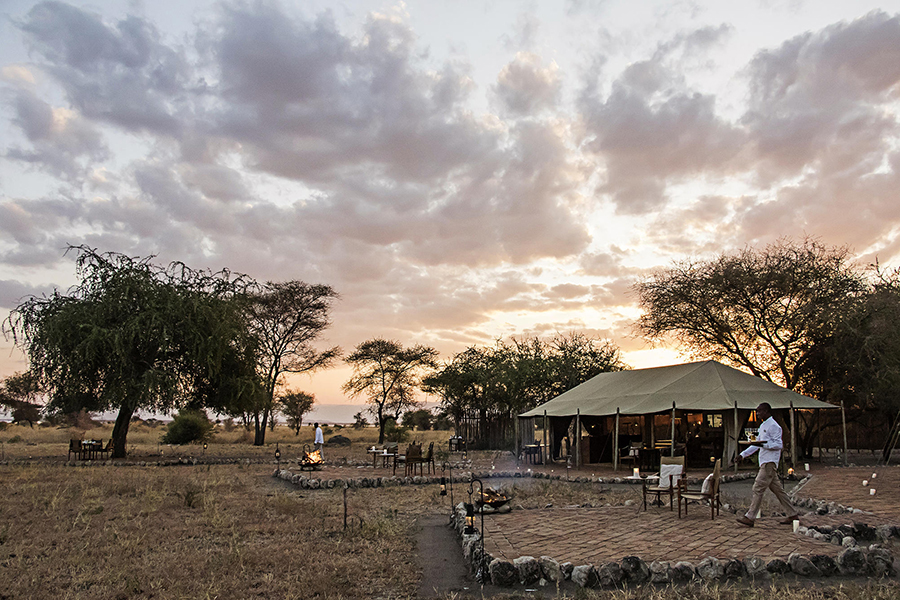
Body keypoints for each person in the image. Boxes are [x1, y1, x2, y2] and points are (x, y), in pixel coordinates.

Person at [735, 402, 799, 527]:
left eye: (759, 411)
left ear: (766, 411)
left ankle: (750, 517)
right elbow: (756, 444)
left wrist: (764, 444)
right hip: (765, 461)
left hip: (769, 462)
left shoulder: (774, 426)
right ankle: (793, 515)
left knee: (758, 488)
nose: (757, 414)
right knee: (779, 491)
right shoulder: (763, 425)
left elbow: (779, 445)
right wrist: (743, 454)